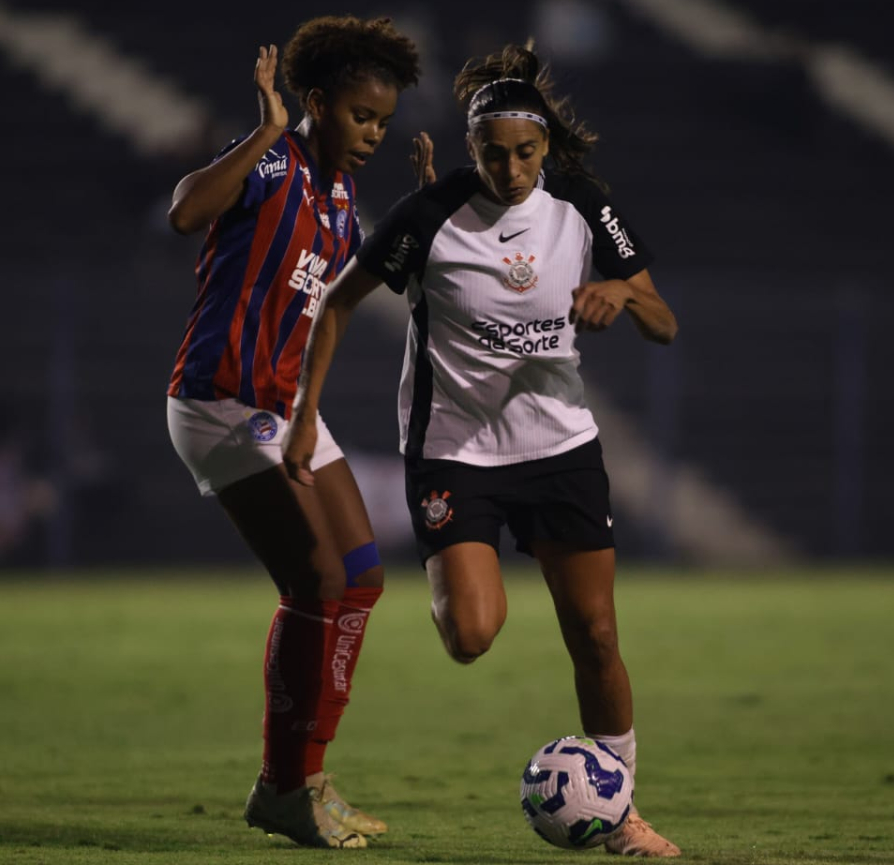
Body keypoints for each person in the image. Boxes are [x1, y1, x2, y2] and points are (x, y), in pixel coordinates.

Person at [284, 44, 682, 857]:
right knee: (470, 634)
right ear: (472, 148)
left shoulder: (580, 205)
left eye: (525, 152)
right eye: (493, 153)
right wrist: (303, 410)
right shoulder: (430, 216)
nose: (510, 168)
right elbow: (337, 301)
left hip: (561, 446)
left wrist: (624, 293)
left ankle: (620, 812)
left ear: (546, 146)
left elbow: (664, 319)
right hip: (455, 451)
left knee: (598, 634)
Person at [164, 16, 420, 850]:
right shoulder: (274, 161)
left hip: (283, 407)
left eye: (382, 120)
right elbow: (185, 210)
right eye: (360, 115)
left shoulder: (344, 200)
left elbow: (330, 317)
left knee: (362, 574)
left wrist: (309, 413)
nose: (374, 133)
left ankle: (307, 775)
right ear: (315, 103)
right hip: (219, 405)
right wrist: (266, 130)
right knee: (313, 583)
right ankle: (280, 787)